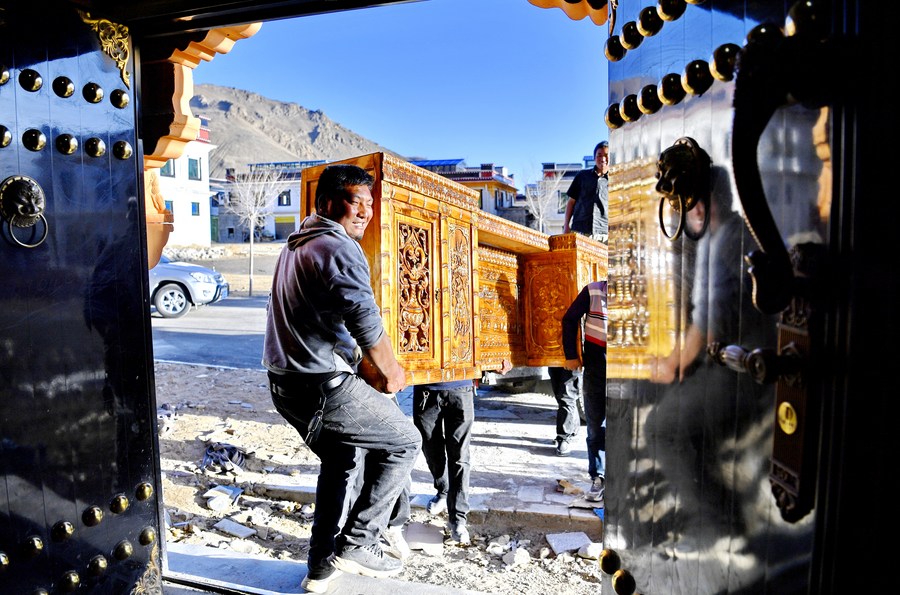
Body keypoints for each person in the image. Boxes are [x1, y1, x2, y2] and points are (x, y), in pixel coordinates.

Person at [262, 164, 422, 592]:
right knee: (405, 441)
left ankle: (320, 567)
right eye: (357, 202)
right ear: (330, 202)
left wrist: (361, 363)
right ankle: (359, 542)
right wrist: (391, 372)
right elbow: (365, 322)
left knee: (342, 461)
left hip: (285, 385)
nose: (366, 212)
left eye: (370, 203)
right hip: (321, 387)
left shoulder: (298, 242)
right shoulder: (337, 246)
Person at [413, 361, 512, 546]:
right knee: (430, 448)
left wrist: (496, 361)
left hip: (461, 387)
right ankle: (443, 490)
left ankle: (458, 519)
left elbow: (482, 347)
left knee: (459, 456)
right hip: (426, 387)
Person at [560, 280, 609, 502]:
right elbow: (570, 319)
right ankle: (598, 477)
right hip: (597, 365)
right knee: (596, 424)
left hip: (629, 367)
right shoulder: (594, 290)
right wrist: (571, 355)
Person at [563, 140, 610, 241]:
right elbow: (571, 202)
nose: (603, 158)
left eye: (606, 155)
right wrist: (566, 225)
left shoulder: (616, 179)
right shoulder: (582, 176)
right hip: (580, 231)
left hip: (605, 234)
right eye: (599, 155)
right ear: (594, 158)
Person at [547, 366, 582, 456]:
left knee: (566, 397)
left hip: (571, 361)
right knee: (561, 395)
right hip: (555, 360)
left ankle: (564, 437)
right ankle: (573, 431)